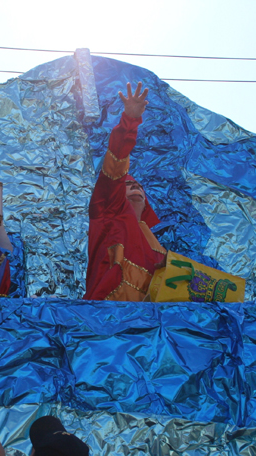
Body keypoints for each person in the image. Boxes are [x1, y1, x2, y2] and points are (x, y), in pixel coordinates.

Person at [84, 81, 167, 302]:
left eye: (139, 186)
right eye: (127, 184)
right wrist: (130, 120)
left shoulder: (158, 248)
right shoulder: (109, 211)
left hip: (145, 326)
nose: (135, 187)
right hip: (104, 316)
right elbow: (117, 161)